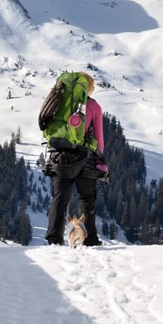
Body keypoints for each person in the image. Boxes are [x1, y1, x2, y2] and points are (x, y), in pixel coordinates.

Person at [45, 71, 107, 246]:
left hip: (60, 156)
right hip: (85, 158)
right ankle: (89, 240)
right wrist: (99, 159)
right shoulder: (94, 107)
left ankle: (54, 239)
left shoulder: (60, 103)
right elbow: (99, 138)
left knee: (59, 198)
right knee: (87, 199)